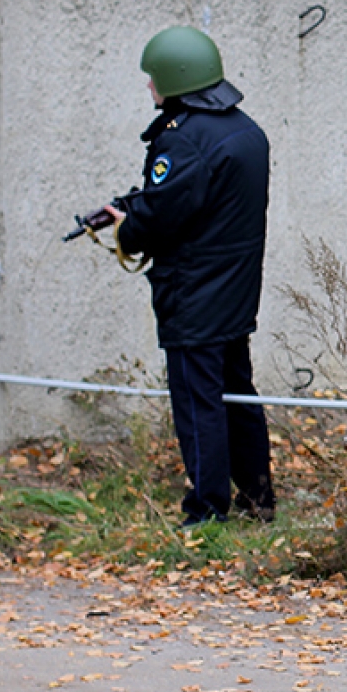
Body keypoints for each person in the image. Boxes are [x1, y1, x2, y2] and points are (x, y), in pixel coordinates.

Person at [105, 26, 274, 527]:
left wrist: (126, 227)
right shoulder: (245, 129)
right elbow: (205, 205)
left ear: (175, 79)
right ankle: (258, 498)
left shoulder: (183, 140)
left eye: (153, 77)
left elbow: (161, 215)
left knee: (198, 403)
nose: (149, 86)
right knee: (237, 395)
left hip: (194, 294)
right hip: (235, 290)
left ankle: (206, 511)